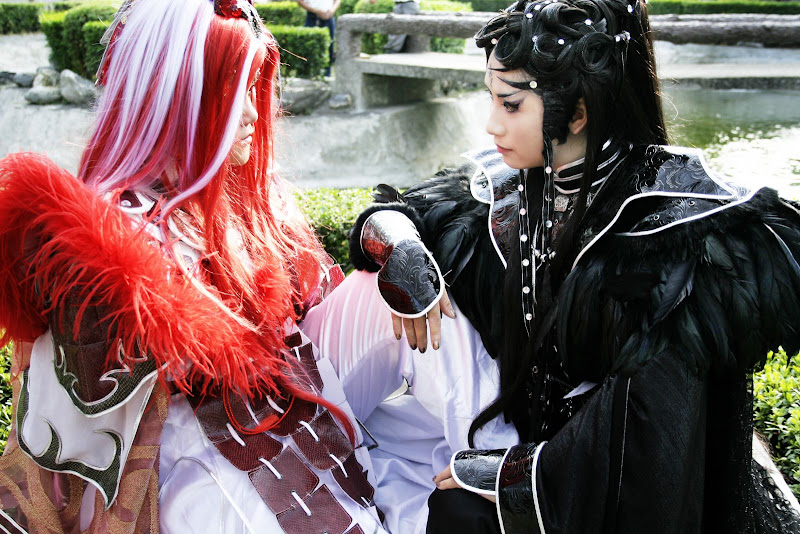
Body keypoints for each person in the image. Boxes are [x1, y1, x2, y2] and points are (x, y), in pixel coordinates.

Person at [337, 0, 800, 531]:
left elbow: (654, 427)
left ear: (577, 112)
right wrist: (398, 246)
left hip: (609, 484)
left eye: (511, 105)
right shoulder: (508, 188)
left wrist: (526, 475)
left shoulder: (677, 233)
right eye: (491, 98)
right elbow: (400, 215)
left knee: (461, 513)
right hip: (521, 439)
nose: (491, 125)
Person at [0, 0, 386, 532]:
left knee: (408, 296)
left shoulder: (248, 195)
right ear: (173, 98)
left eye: (254, 87)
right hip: (190, 454)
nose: (253, 114)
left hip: (291, 395)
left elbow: (322, 306)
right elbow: (74, 417)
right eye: (230, 92)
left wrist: (393, 234)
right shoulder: (113, 231)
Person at [297, 0, 340, 76]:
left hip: (328, 16)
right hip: (312, 17)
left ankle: (327, 74)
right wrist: (316, 11)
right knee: (309, 45)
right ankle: (307, 73)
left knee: (329, 46)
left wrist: (332, 10)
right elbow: (300, 1)